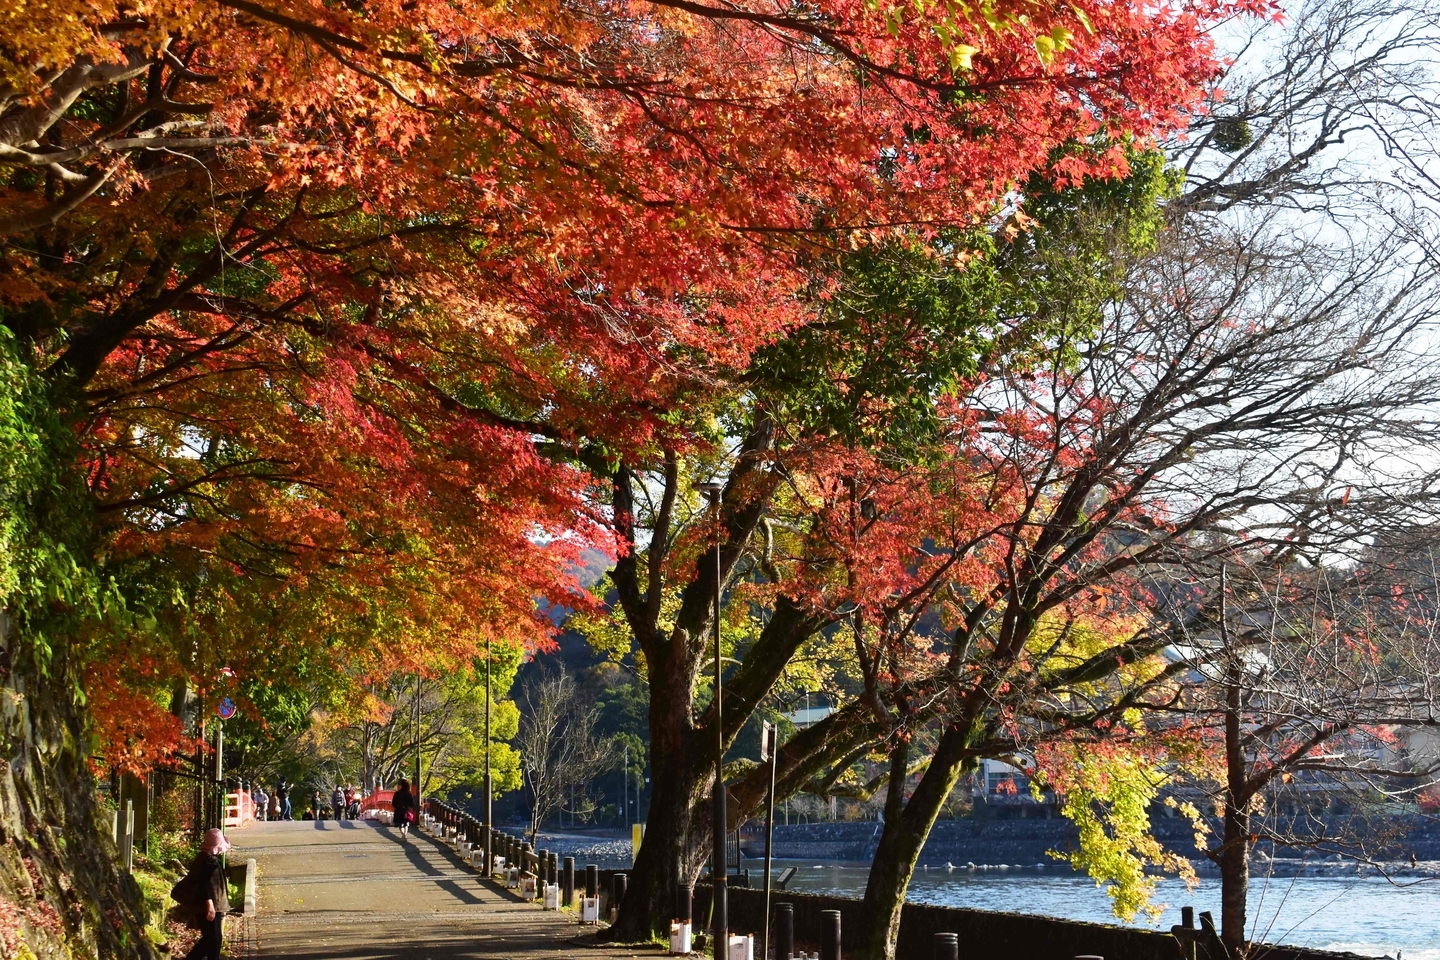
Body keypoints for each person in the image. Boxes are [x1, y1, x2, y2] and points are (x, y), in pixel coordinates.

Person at [181, 829, 230, 960]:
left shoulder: (202, 858)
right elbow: (204, 883)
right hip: (210, 905)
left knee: (210, 939)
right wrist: (210, 904)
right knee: (214, 940)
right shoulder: (210, 862)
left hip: (205, 904)